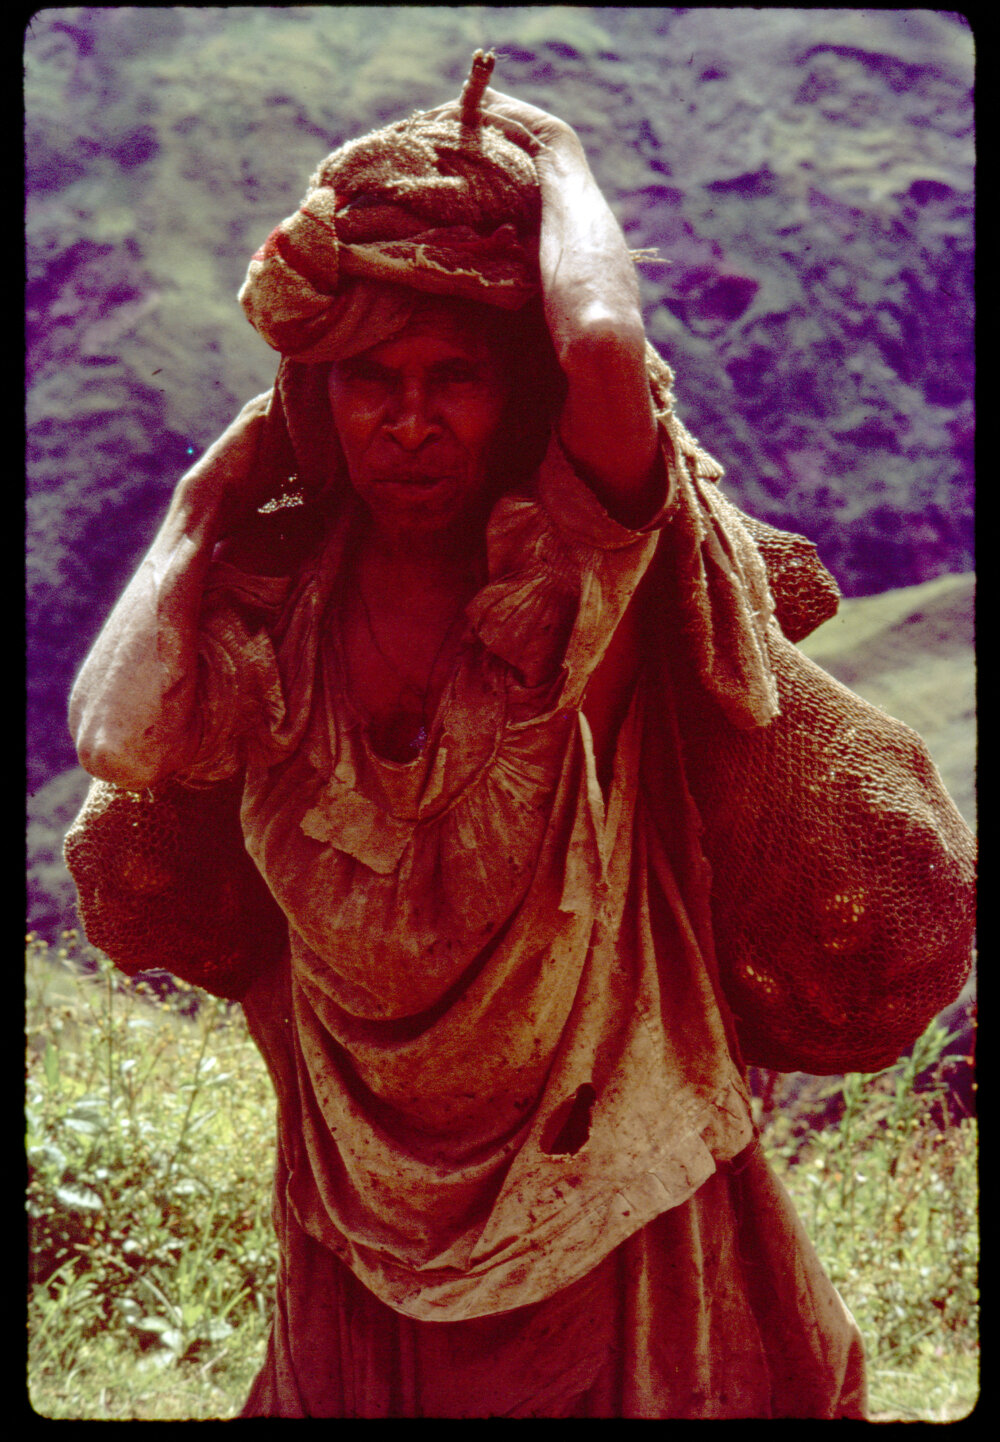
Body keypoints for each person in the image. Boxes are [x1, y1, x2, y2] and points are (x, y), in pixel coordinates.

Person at [66, 55, 974, 1419]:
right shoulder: (279, 606)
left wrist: (555, 155)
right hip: (360, 1205)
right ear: (320, 397)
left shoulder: (566, 582)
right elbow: (118, 740)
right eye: (373, 378)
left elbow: (606, 351)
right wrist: (200, 510)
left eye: (456, 378)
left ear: (516, 398)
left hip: (606, 1190)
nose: (413, 420)